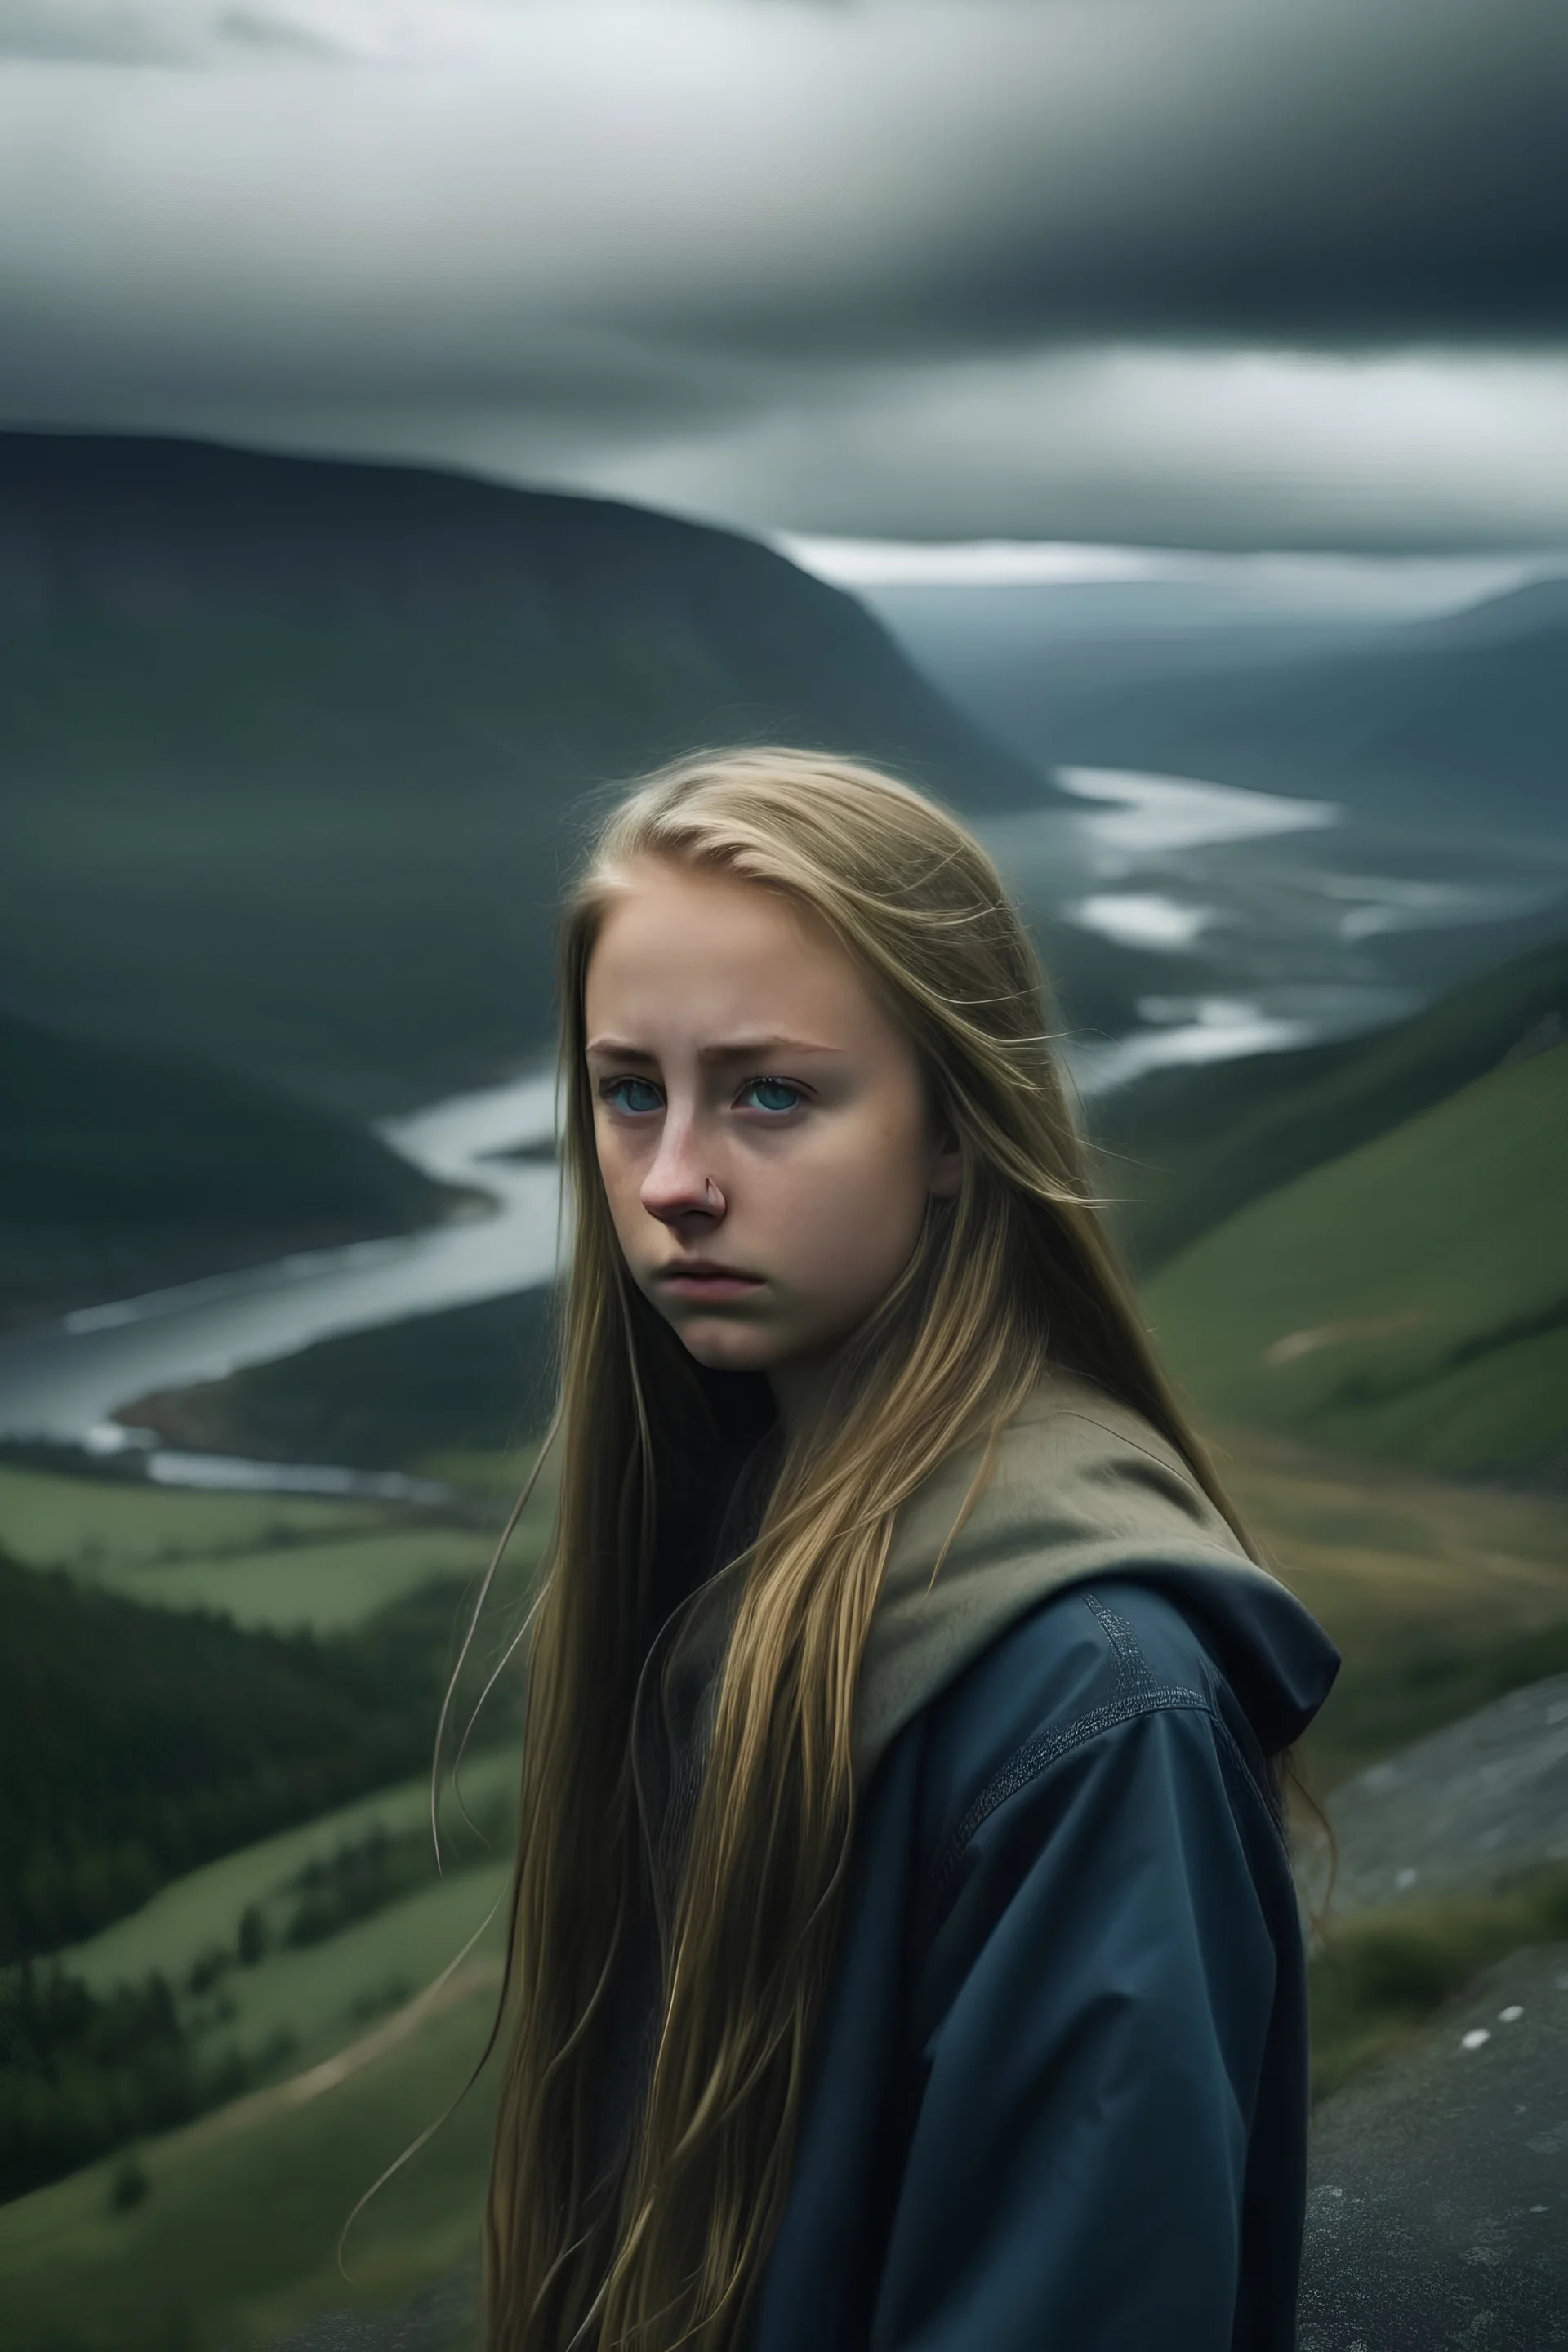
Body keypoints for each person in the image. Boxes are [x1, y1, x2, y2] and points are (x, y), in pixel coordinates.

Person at [471, 746, 1340, 2352]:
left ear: (956, 1125)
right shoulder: (731, 1516)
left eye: (773, 1093)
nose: (670, 1184)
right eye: (628, 1090)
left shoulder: (1095, 1704)